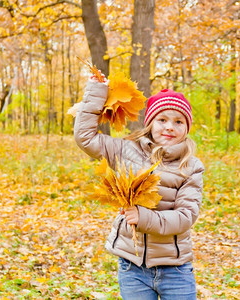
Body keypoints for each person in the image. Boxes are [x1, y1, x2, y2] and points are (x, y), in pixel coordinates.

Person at [74, 75, 204, 300]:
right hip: (132, 267)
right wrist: (97, 90)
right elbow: (85, 138)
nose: (169, 127)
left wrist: (142, 217)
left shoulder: (190, 166)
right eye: (162, 119)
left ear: (187, 127)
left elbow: (185, 217)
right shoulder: (126, 150)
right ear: (150, 122)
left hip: (175, 269)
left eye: (178, 121)